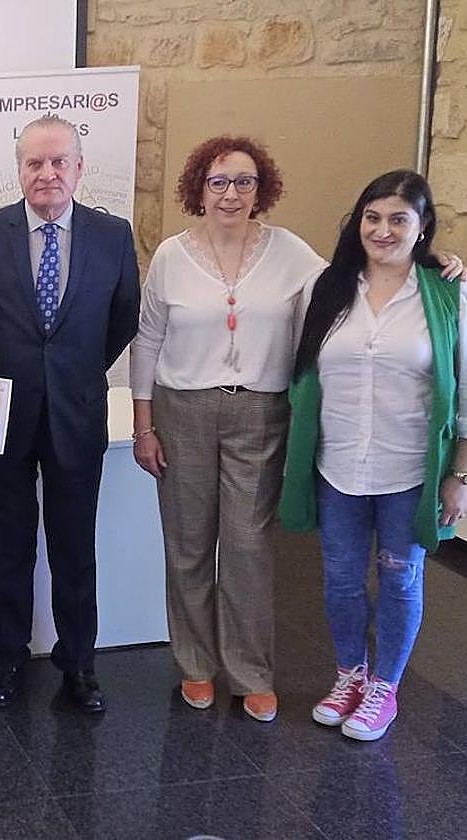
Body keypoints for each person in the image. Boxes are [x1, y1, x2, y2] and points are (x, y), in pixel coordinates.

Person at [281, 170, 467, 741]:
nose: (382, 229)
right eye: (372, 217)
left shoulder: (451, 293)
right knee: (342, 580)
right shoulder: (326, 289)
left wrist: (463, 473)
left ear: (423, 228)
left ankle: (386, 687)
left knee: (400, 579)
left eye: (399, 218)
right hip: (339, 466)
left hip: (410, 472)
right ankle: (350, 672)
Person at [129, 136, 326, 722]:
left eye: (243, 181)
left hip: (260, 415)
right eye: (218, 181)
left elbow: (348, 287)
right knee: (188, 546)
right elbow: (148, 341)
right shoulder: (171, 255)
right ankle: (195, 665)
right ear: (199, 189)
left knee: (247, 547)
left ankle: (251, 672)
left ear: (261, 189)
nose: (231, 193)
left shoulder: (291, 253)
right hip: (182, 409)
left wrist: (432, 264)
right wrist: (144, 425)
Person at [0, 115, 140, 711]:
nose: (47, 173)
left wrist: (74, 373)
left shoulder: (113, 235)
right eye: (35, 163)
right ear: (19, 170)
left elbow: (123, 317)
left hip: (77, 415)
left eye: (59, 162)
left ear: (80, 168)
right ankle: (7, 661)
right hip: (2, 417)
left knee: (74, 547)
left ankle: (79, 666)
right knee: (8, 545)